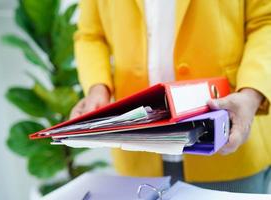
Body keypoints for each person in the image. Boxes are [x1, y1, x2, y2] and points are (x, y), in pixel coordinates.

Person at [71, 0, 271, 193]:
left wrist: (252, 93)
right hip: (138, 151)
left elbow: (265, 22)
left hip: (229, 144)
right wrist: (98, 87)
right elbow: (91, 35)